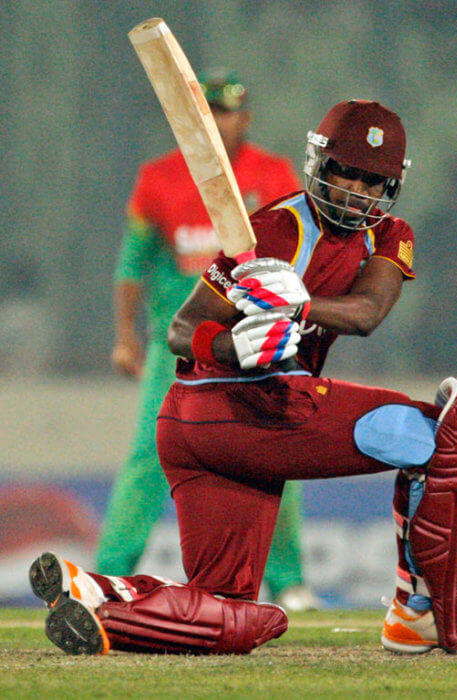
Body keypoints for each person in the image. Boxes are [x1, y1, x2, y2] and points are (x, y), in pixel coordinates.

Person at [30, 99, 457, 657]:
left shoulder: (391, 234)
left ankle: (105, 602)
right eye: (346, 172)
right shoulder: (273, 230)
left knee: (235, 613)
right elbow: (183, 330)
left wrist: (300, 305)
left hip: (215, 429)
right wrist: (233, 343)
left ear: (392, 185)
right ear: (320, 165)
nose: (358, 190)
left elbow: (366, 313)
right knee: (440, 438)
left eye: (373, 180)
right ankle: (422, 614)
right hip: (245, 408)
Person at [94, 69, 318, 611]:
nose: (217, 122)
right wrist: (126, 338)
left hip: (251, 342)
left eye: (226, 112)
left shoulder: (273, 174)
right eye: (207, 112)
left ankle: (287, 580)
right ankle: (105, 579)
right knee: (149, 457)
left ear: (244, 118)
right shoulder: (158, 178)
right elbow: (132, 267)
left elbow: (296, 254)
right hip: (176, 345)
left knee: (274, 450)